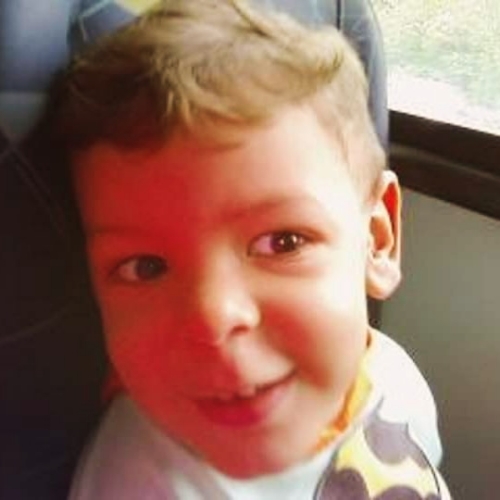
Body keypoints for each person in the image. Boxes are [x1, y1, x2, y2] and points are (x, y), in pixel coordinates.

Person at [48, 0, 451, 498]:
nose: (212, 316)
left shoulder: (394, 378)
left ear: (377, 239)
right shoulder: (137, 480)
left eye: (283, 242)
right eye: (145, 267)